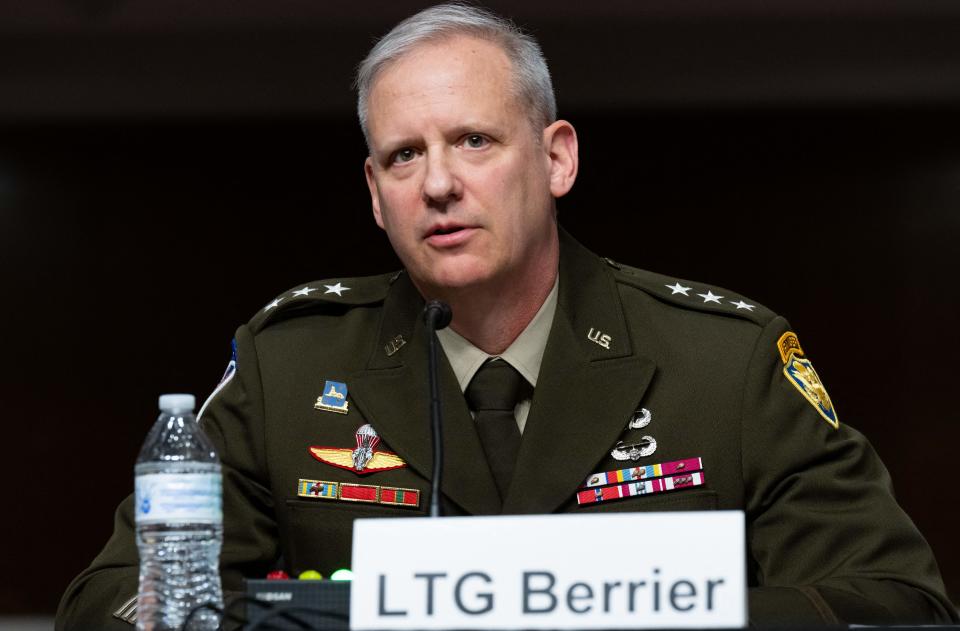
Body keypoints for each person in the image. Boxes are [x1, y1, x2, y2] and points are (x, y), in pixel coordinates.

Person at [57, 3, 957, 628]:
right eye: (404, 155)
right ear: (376, 194)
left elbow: (895, 599)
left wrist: (640, 609)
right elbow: (111, 603)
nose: (440, 182)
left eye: (474, 141)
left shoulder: (725, 360)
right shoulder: (287, 365)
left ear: (557, 157)